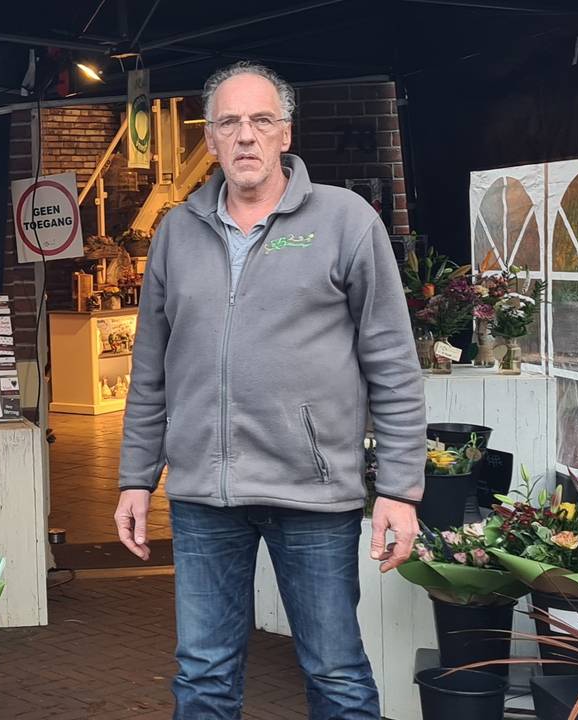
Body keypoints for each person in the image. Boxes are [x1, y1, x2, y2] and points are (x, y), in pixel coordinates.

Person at [114, 61, 426, 719]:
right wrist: (136, 478)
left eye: (261, 120)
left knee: (336, 673)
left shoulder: (345, 221)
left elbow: (393, 364)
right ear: (210, 138)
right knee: (202, 677)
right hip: (204, 495)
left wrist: (400, 489)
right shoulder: (176, 232)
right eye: (229, 122)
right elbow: (150, 371)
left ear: (286, 133)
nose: (245, 135)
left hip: (312, 492)